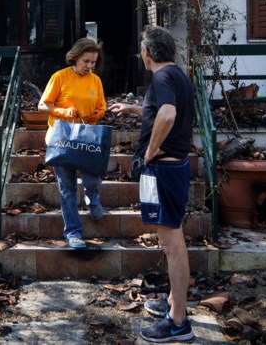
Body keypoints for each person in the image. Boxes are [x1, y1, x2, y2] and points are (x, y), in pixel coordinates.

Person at [108, 25, 195, 342]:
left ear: (147, 53)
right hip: (170, 170)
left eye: (141, 50)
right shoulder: (177, 76)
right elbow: (165, 111)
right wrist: (133, 108)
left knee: (172, 245)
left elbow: (169, 115)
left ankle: (178, 322)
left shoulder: (161, 78)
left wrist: (149, 151)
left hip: (162, 170)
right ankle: (176, 303)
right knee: (171, 241)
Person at [39, 38, 107, 249]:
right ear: (74, 58)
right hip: (62, 140)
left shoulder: (95, 80)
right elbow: (43, 105)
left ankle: (93, 200)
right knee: (67, 188)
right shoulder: (60, 77)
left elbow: (101, 105)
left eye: (93, 62)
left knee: (93, 178)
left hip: (87, 137)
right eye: (86, 61)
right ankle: (73, 233)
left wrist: (99, 112)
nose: (89, 66)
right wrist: (62, 111)